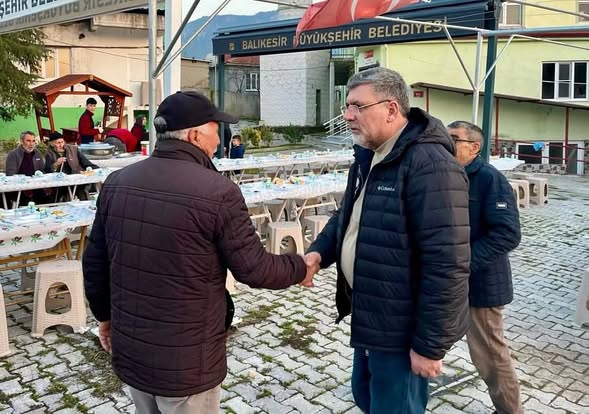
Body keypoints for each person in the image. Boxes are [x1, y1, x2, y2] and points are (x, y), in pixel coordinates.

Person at [82, 90, 315, 414]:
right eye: (214, 129)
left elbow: (93, 263)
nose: (220, 140)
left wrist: (105, 318)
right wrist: (301, 267)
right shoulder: (218, 192)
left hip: (132, 351)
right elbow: (255, 270)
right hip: (187, 365)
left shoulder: (118, 182)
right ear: (193, 134)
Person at [304, 67, 471, 414]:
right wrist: (319, 253)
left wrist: (429, 345)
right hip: (371, 316)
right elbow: (348, 217)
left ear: (392, 109)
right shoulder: (370, 154)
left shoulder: (431, 166)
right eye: (346, 106)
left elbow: (447, 263)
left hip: (401, 330)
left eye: (357, 106)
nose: (347, 115)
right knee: (366, 397)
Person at [447, 121, 523, 414]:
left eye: (454, 139)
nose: (447, 142)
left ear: (474, 147)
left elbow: (507, 234)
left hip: (481, 285)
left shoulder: (490, 179)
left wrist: (463, 262)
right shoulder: (446, 175)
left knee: (489, 355)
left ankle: (509, 411)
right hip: (447, 282)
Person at [45, 131, 98, 201]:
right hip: (59, 184)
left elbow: (85, 162)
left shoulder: (73, 149)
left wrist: (95, 169)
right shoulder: (49, 154)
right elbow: (47, 170)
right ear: (52, 144)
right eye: (58, 143)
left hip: (76, 179)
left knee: (82, 193)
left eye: (62, 142)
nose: (61, 145)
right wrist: (56, 163)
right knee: (56, 197)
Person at [5, 131, 49, 205]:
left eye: (33, 141)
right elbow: (10, 174)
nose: (31, 144)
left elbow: (42, 170)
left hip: (36, 185)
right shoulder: (13, 155)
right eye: (28, 141)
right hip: (20, 188)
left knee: (52, 193)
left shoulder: (37, 153)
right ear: (21, 141)